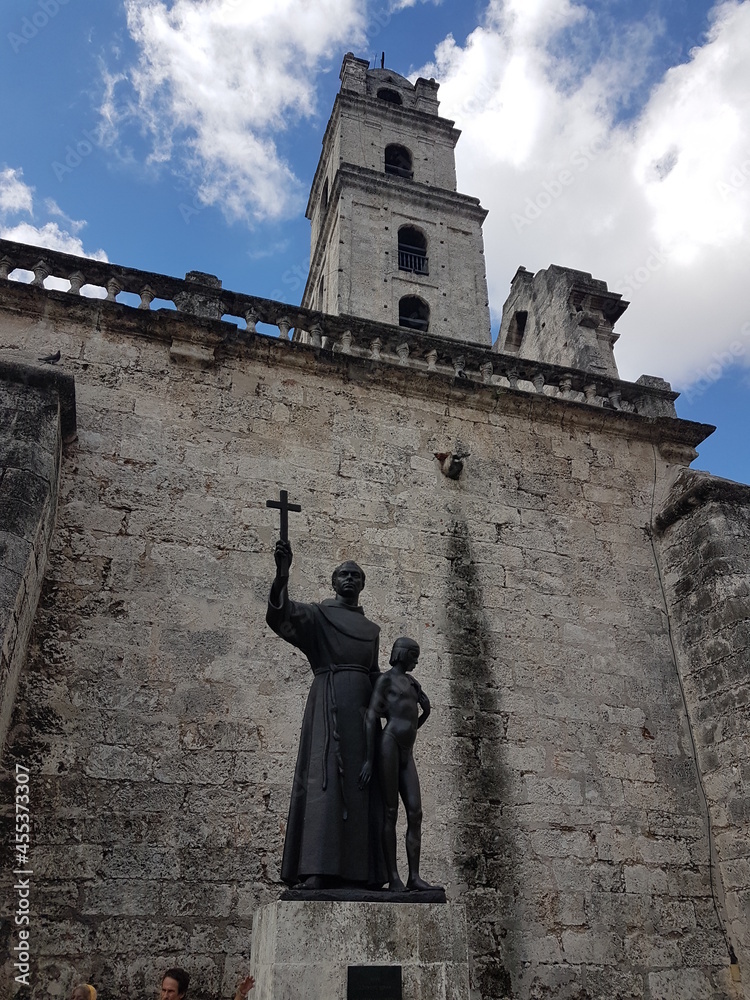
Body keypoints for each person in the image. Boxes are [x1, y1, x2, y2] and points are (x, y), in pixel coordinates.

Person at [267, 538, 384, 888]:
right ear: (334, 582)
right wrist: (282, 573)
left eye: (355, 575)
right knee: (325, 782)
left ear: (362, 584)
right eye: (343, 574)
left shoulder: (372, 630)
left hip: (364, 714)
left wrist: (400, 692)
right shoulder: (318, 616)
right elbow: (281, 615)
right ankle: (316, 868)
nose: (349, 578)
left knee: (365, 789)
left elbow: (374, 671)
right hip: (328, 704)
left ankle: (363, 874)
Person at [359, 637, 434, 892]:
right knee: (391, 811)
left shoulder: (414, 683)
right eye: (414, 654)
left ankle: (414, 875)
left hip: (406, 751)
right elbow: (371, 717)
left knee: (416, 812)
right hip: (388, 745)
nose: (416, 660)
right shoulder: (386, 680)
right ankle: (394, 877)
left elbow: (412, 725)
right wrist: (369, 759)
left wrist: (426, 712)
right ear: (402, 654)